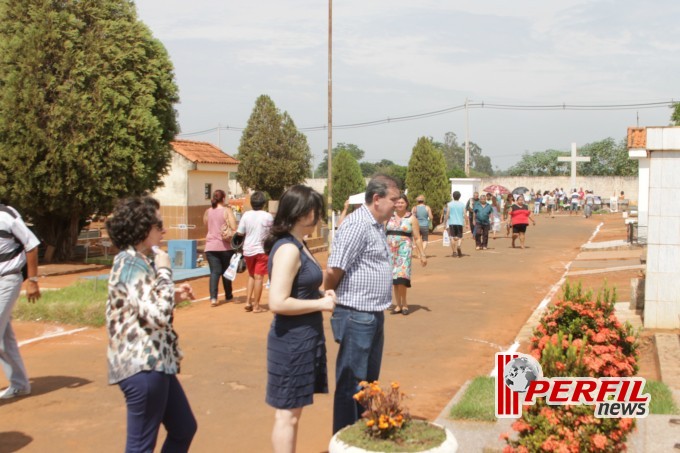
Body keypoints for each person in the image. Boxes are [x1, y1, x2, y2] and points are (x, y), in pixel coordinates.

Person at [105, 196, 197, 452]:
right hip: (142, 366)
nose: (163, 230)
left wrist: (172, 295)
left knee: (184, 428)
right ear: (142, 229)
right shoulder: (131, 263)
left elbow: (146, 307)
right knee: (140, 446)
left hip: (156, 363)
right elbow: (158, 316)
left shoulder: (137, 261)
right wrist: (166, 273)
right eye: (158, 225)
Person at [264, 185, 337, 453]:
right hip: (291, 341)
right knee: (287, 415)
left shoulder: (300, 244)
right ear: (302, 213)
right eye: (315, 210)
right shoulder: (288, 249)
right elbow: (278, 302)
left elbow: (299, 288)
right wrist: (321, 303)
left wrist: (320, 293)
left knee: (294, 413)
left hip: (305, 336)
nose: (317, 216)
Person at [324, 174, 400, 434]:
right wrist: (329, 298)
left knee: (368, 383)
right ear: (376, 199)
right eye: (393, 200)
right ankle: (346, 438)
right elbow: (335, 269)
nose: (397, 205)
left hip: (373, 313)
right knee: (352, 384)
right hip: (356, 315)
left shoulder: (377, 225)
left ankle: (362, 434)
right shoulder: (357, 225)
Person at [0, 203, 41, 399]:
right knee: (4, 338)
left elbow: (31, 244)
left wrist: (32, 280)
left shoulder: (6, 215)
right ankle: (20, 384)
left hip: (7, 279)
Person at [387, 194, 426, 315]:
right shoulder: (388, 216)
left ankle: (404, 304)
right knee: (395, 279)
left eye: (402, 202)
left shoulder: (411, 218)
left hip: (404, 251)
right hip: (390, 251)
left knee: (402, 277)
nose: (399, 204)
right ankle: (398, 305)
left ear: (406, 204)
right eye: (397, 202)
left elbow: (417, 237)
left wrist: (422, 254)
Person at [237, 191, 273, 313]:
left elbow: (240, 233)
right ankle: (256, 306)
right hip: (262, 250)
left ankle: (248, 301)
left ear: (252, 203)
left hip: (248, 250)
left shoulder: (246, 215)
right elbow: (271, 233)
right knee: (259, 278)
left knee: (251, 275)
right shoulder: (268, 216)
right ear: (264, 203)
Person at [203, 189, 238, 307]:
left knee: (214, 272)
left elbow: (205, 224)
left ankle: (213, 298)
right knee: (226, 272)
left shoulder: (208, 211)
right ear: (223, 199)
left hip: (210, 246)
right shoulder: (227, 211)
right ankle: (228, 295)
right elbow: (233, 227)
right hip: (225, 246)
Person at [442, 191, 466, 257]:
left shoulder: (449, 204)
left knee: (452, 237)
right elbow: (465, 214)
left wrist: (444, 223)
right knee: (460, 236)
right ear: (459, 197)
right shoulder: (462, 204)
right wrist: (467, 223)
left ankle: (454, 252)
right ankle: (458, 246)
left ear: (453, 196)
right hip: (460, 223)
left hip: (451, 222)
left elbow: (447, 214)